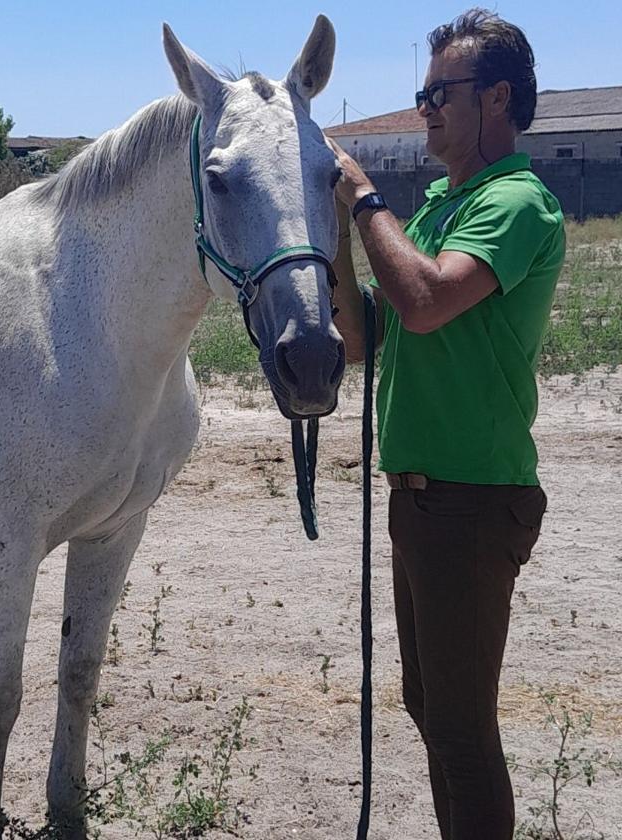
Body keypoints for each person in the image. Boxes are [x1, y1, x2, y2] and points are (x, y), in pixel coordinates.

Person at [328, 8, 566, 839]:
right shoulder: (437, 210)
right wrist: (331, 235)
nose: (425, 107)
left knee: (463, 734)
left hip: (471, 499)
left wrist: (364, 203)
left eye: (440, 92)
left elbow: (425, 302)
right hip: (425, 500)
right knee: (429, 706)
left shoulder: (515, 203)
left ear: (496, 98)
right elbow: (366, 338)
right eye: (422, 92)